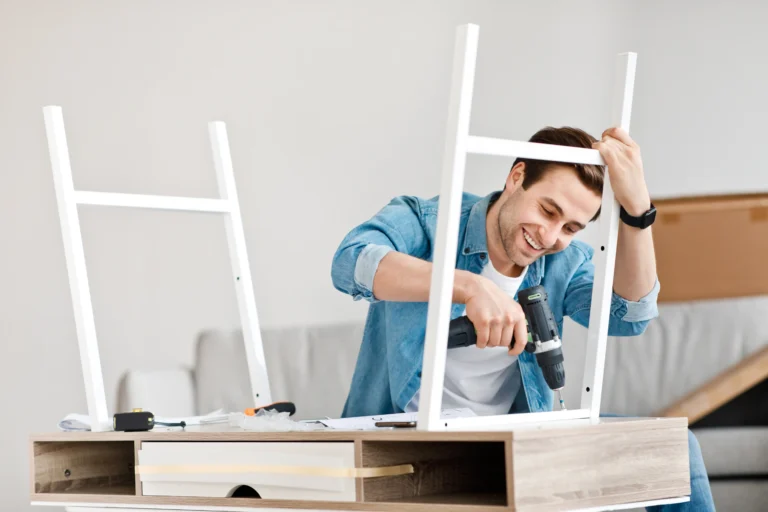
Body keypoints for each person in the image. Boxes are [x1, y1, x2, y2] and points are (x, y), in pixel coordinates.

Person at [330, 126, 715, 511]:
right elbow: (350, 261)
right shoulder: (429, 222)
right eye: (548, 211)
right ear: (517, 177)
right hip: (408, 445)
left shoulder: (564, 261)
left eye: (570, 228)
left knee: (679, 448)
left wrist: (637, 212)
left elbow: (630, 316)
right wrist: (469, 287)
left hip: (512, 445)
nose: (549, 237)